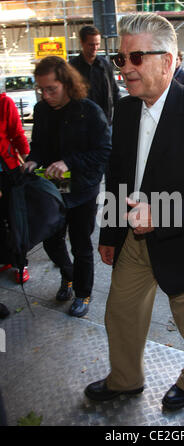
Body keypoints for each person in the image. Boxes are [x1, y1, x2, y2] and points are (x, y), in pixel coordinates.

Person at [84, 13, 184, 410]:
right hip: (133, 242)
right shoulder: (124, 111)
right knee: (119, 315)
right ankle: (125, 379)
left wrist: (164, 215)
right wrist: (109, 233)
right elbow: (117, 177)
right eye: (121, 59)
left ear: (169, 60)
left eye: (136, 58)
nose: (126, 68)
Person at [23, 56, 111, 318]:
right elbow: (37, 144)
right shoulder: (41, 111)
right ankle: (68, 275)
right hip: (53, 186)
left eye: (52, 89)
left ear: (67, 83)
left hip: (84, 188)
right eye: (42, 89)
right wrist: (32, 160)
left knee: (81, 244)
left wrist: (69, 162)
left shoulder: (89, 110)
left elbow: (104, 151)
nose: (46, 95)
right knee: (50, 240)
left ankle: (83, 293)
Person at [0, 89, 31, 286]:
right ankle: (5, 257)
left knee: (14, 218)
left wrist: (28, 161)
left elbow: (18, 134)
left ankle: (21, 264)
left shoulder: (5, 103)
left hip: (7, 171)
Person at [69, 25, 121, 126]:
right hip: (80, 123)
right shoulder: (72, 67)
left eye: (97, 44)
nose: (95, 48)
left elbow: (114, 91)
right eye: (91, 44)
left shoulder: (105, 65)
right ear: (82, 43)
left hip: (104, 121)